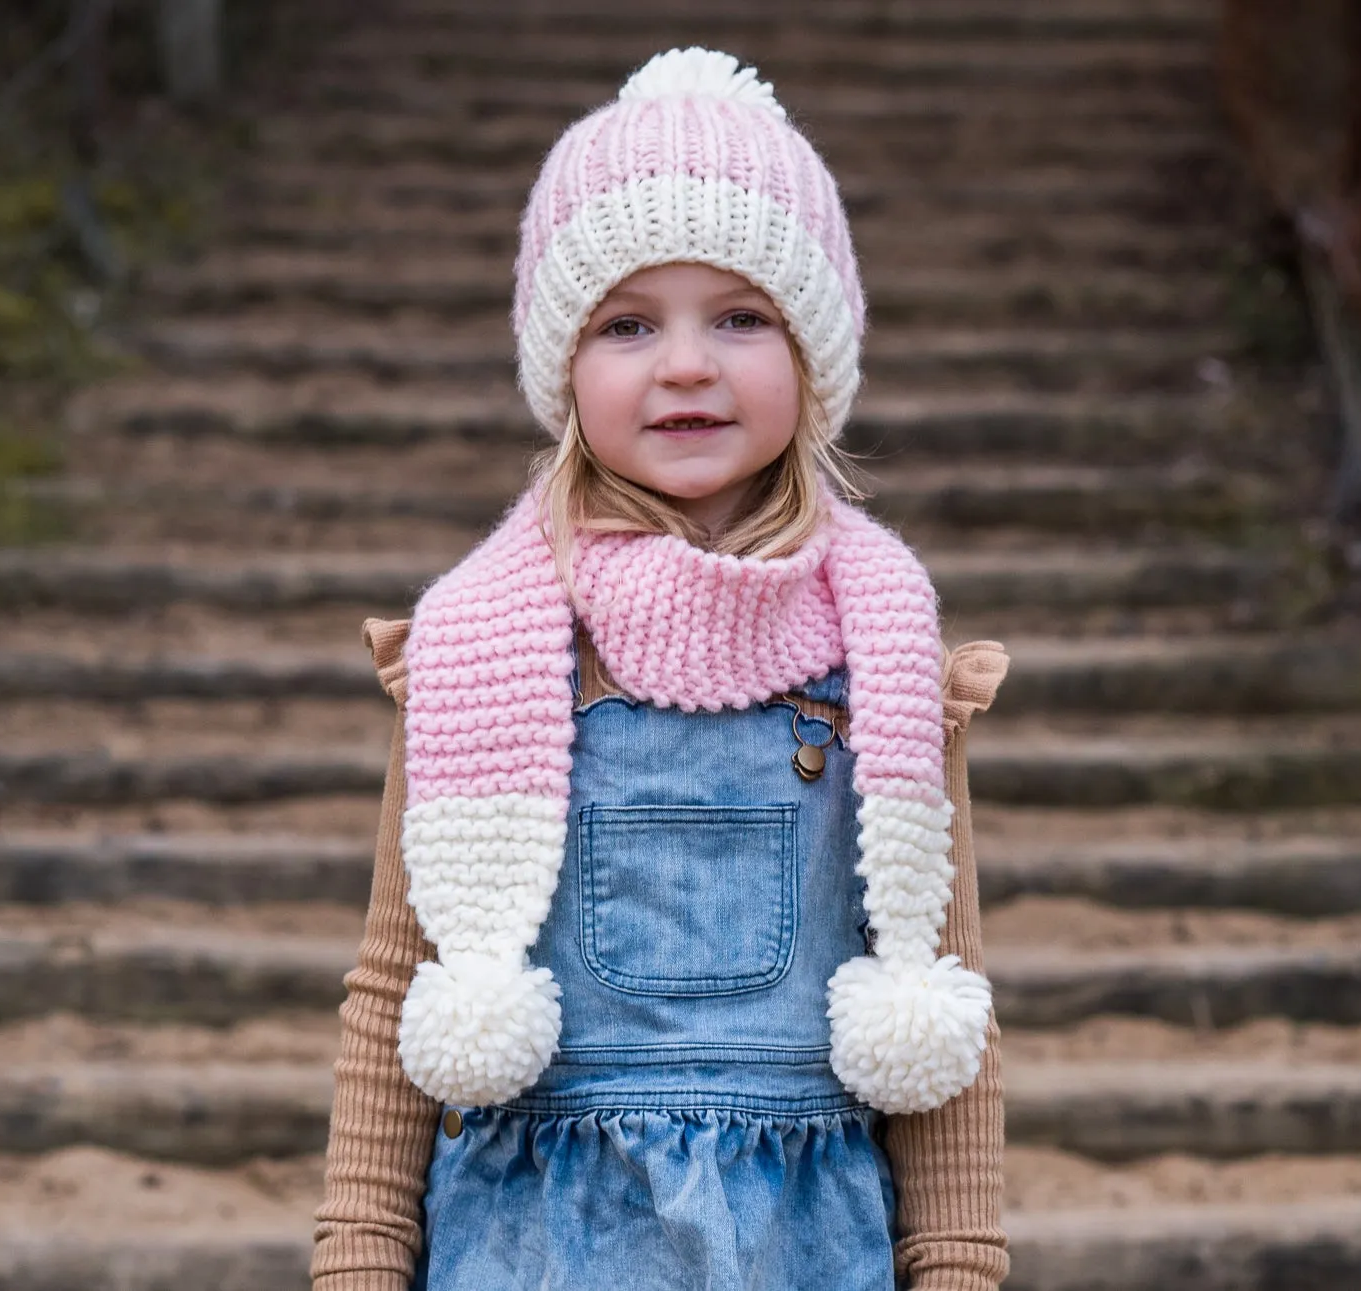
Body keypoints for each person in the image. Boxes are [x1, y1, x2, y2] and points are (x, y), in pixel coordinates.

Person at [310, 46, 1009, 1291]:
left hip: (806, 1243)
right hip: (531, 1245)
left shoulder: (886, 656)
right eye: (627, 324)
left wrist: (956, 1261)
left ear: (812, 358)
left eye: (740, 317)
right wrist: (358, 1256)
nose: (685, 363)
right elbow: (389, 984)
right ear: (565, 373)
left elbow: (941, 987)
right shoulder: (489, 647)